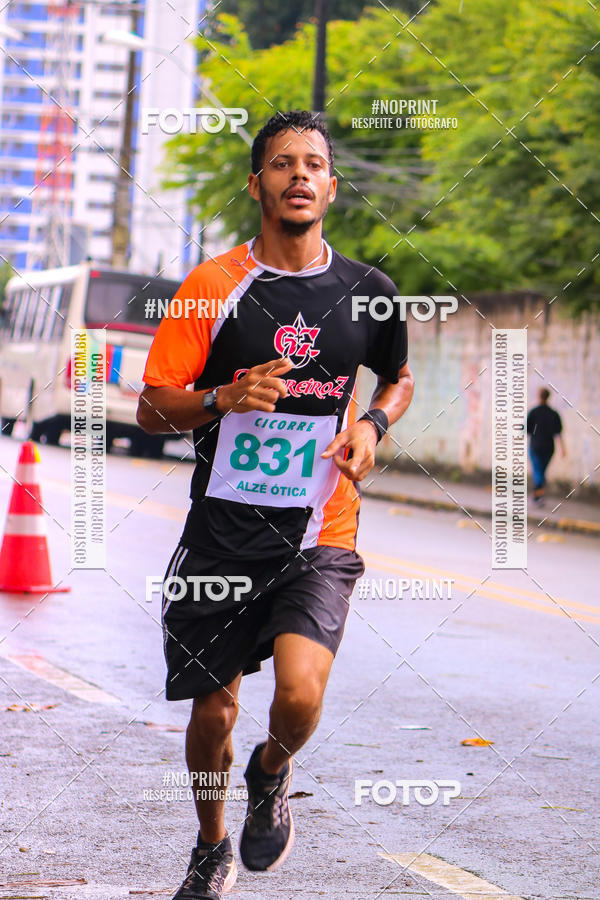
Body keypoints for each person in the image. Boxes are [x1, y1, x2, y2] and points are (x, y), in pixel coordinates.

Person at [137, 109, 415, 900]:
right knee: (213, 715)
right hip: (222, 537)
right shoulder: (212, 288)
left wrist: (372, 421)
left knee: (297, 694)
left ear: (332, 185)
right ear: (256, 182)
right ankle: (209, 844)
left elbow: (398, 376)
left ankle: (273, 772)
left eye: (315, 163)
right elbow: (153, 409)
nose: (301, 174)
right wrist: (222, 396)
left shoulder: (370, 292)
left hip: (317, 533)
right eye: (283, 162)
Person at [527, 387, 565, 504]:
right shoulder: (553, 414)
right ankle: (537, 496)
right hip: (549, 448)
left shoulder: (534, 412)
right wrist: (563, 449)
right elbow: (558, 433)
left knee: (538, 471)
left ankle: (538, 495)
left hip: (536, 447)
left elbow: (527, 430)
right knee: (541, 471)